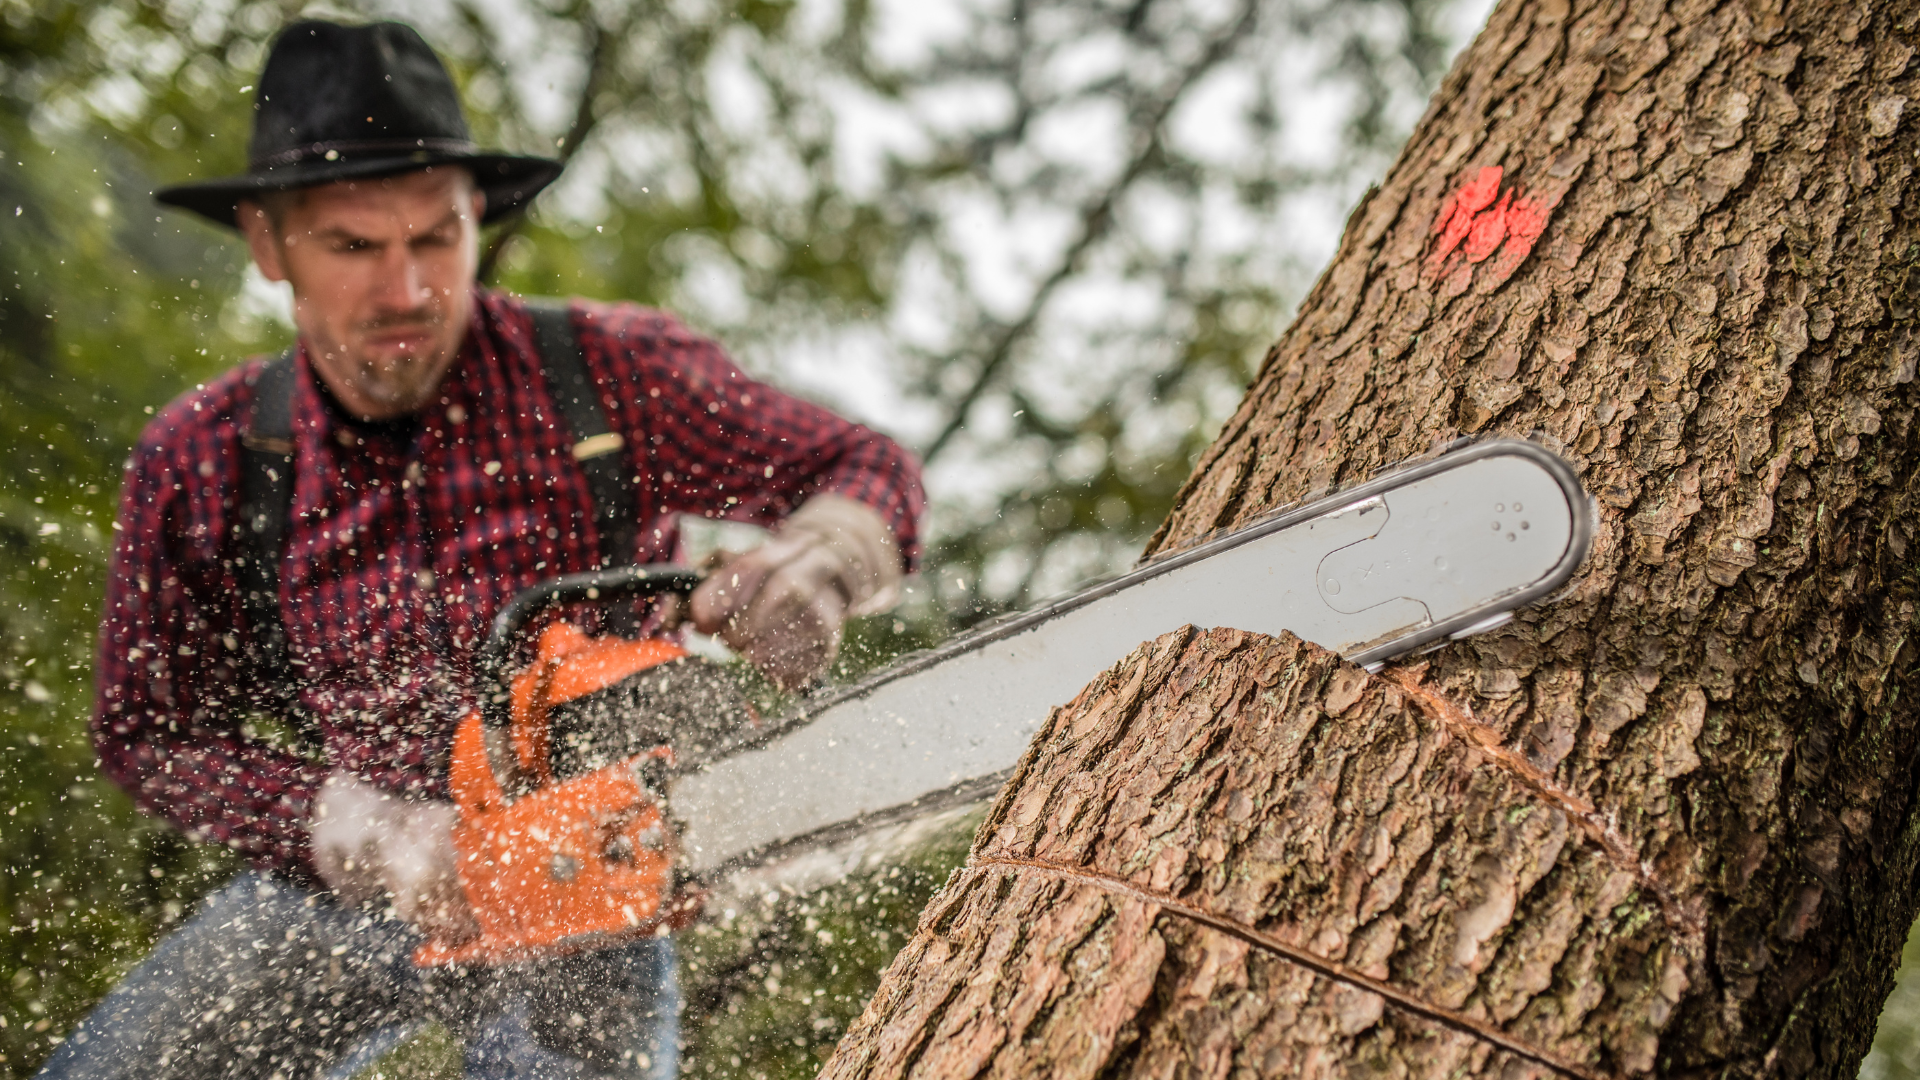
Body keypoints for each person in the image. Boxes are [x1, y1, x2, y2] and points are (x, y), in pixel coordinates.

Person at [41, 19, 923, 1080]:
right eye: (354, 246)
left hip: (587, 880)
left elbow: (864, 462)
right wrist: (354, 828)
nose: (407, 289)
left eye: (436, 237)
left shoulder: (609, 372)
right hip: (348, 877)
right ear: (271, 245)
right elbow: (147, 730)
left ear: (476, 219)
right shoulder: (204, 460)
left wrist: (821, 560)